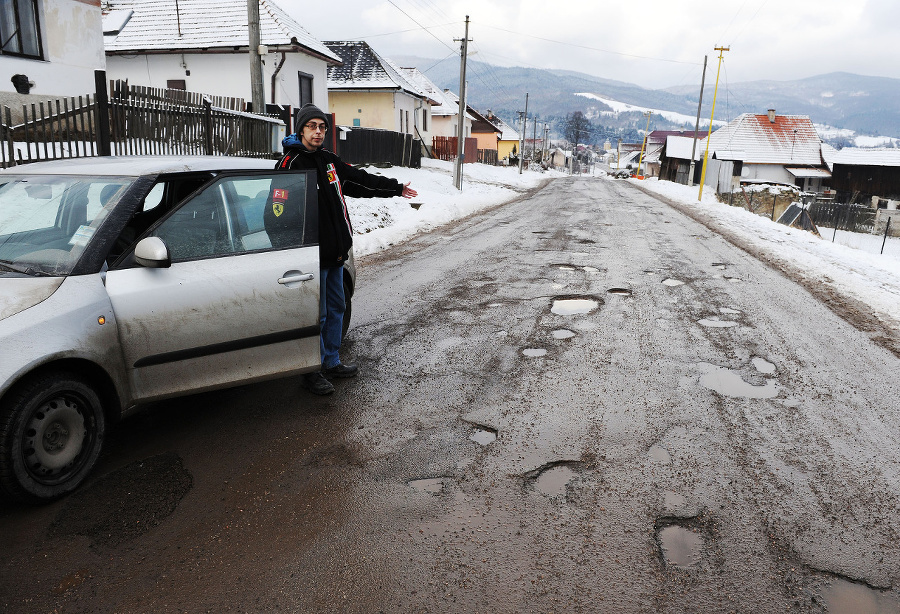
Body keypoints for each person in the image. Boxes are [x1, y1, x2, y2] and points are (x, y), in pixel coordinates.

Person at [276, 103, 417, 395]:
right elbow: (276, 212)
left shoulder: (329, 160)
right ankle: (310, 370)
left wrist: (396, 188)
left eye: (322, 127)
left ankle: (330, 360)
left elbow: (359, 181)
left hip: (336, 255)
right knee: (318, 315)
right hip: (311, 258)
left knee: (337, 307)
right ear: (301, 129)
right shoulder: (290, 165)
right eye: (312, 126)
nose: (318, 132)